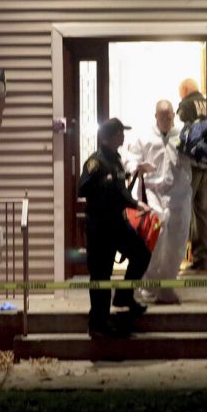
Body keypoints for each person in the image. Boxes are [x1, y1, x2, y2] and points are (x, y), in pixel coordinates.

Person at [78, 118, 151, 339]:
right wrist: (104, 184)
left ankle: (124, 296)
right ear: (108, 138)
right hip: (100, 227)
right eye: (119, 133)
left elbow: (122, 190)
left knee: (141, 254)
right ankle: (97, 323)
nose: (123, 136)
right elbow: (82, 188)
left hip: (118, 223)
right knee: (101, 275)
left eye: (123, 132)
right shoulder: (95, 162)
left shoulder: (118, 161)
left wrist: (136, 204)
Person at [125, 100, 192, 304]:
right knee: (154, 240)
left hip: (179, 198)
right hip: (152, 196)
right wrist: (137, 166)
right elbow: (130, 158)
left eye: (170, 116)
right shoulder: (144, 137)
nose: (168, 120)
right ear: (156, 116)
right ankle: (150, 285)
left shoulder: (183, 136)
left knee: (177, 242)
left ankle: (167, 286)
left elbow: (199, 158)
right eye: (163, 116)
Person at [177, 78, 207, 272]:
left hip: (192, 164)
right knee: (201, 212)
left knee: (184, 209)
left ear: (186, 90)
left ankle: (181, 255)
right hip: (206, 163)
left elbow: (179, 128)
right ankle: (202, 257)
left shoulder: (186, 104)